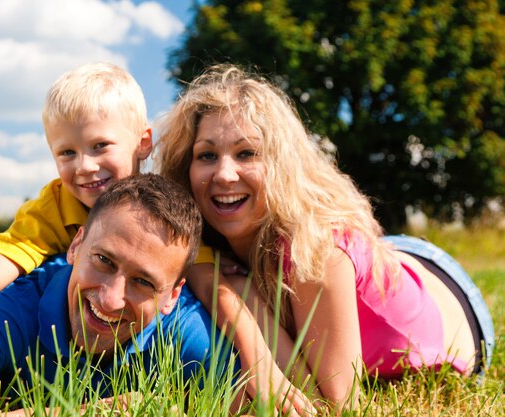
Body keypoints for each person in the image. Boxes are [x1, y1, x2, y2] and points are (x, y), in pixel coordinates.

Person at [155, 64, 494, 410]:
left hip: (459, 310)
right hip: (396, 257)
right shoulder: (209, 234)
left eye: (247, 153)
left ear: (280, 163)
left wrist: (241, 294)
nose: (224, 174)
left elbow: (332, 405)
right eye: (207, 155)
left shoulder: (314, 248)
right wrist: (202, 269)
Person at [0, 62, 191, 416]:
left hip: (62, 331)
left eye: (100, 145)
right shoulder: (50, 209)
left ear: (143, 143)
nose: (85, 166)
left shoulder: (166, 219)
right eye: (67, 153)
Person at [0, 174, 239, 416]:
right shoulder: (5, 310)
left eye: (143, 282)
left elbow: (244, 400)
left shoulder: (189, 333)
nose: (112, 299)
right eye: (103, 260)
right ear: (76, 245)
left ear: (172, 296)